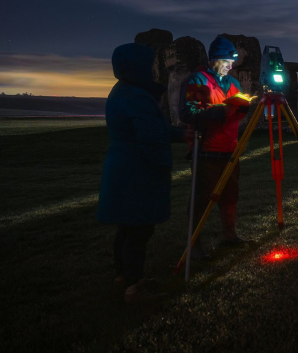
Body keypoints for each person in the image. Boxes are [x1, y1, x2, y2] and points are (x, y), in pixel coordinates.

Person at [98, 43, 171, 303]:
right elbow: (149, 137)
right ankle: (134, 286)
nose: (154, 69)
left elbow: (146, 129)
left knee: (126, 227)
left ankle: (122, 276)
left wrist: (178, 134)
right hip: (137, 171)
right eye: (150, 64)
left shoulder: (121, 91)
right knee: (139, 230)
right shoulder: (137, 96)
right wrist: (162, 163)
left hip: (122, 167)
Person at [180, 36, 251, 259]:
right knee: (202, 198)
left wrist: (243, 108)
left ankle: (230, 234)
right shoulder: (198, 80)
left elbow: (234, 111)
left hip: (230, 149)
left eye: (232, 62)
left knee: (230, 195)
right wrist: (222, 111)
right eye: (227, 62)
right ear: (214, 59)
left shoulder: (233, 83)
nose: (230, 66)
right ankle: (194, 243)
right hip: (206, 150)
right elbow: (189, 113)